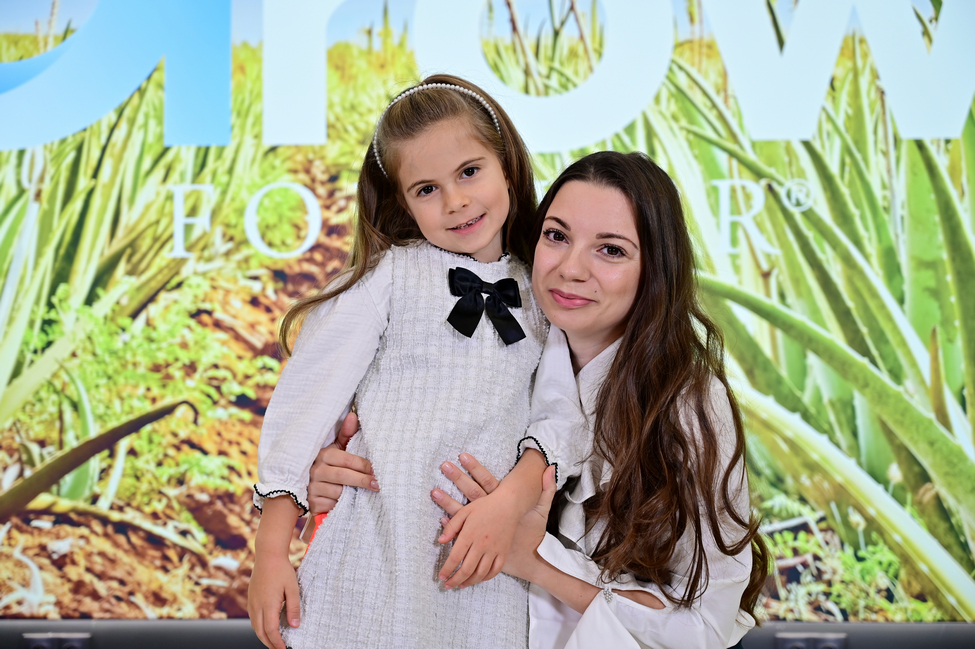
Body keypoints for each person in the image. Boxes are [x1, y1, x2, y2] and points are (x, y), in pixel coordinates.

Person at [308, 151, 770, 648]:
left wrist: (533, 561)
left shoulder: (689, 406)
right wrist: (346, 476)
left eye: (610, 250)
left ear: (656, 269)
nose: (571, 268)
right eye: (557, 236)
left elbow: (705, 625)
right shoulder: (492, 352)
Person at [247, 74, 557, 649]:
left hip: (485, 558)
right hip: (377, 544)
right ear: (403, 203)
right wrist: (271, 551)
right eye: (426, 189)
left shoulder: (543, 292)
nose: (456, 201)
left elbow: (562, 419)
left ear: (508, 167)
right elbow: (306, 402)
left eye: (470, 171)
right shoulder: (389, 278)